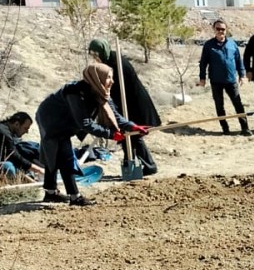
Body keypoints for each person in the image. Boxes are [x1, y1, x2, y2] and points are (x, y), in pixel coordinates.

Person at [36, 63, 149, 206]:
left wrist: (133, 126)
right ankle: (75, 197)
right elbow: (86, 123)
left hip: (65, 122)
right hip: (51, 120)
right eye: (108, 78)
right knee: (63, 156)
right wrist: (111, 135)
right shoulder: (75, 93)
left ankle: (51, 193)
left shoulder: (100, 92)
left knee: (56, 155)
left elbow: (116, 116)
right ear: (97, 77)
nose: (112, 82)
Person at [87, 38, 161, 176]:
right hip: (123, 103)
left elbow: (120, 88)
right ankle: (129, 162)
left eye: (96, 54)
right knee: (126, 135)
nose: (95, 58)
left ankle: (149, 166)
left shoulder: (117, 63)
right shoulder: (109, 61)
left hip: (133, 104)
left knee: (133, 135)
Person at [199, 19, 252, 136]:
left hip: (231, 80)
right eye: (218, 29)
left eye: (223, 29)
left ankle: (245, 128)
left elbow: (239, 60)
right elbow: (203, 63)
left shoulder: (232, 44)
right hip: (216, 80)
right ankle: (225, 129)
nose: (220, 31)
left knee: (238, 104)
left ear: (226, 30)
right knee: (219, 105)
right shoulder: (208, 45)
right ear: (214, 30)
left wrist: (242, 75)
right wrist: (202, 78)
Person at [0, 112, 44, 180]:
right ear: (17, 124)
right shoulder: (4, 133)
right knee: (9, 167)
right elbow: (14, 155)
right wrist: (38, 169)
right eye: (25, 128)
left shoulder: (5, 129)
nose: (27, 132)